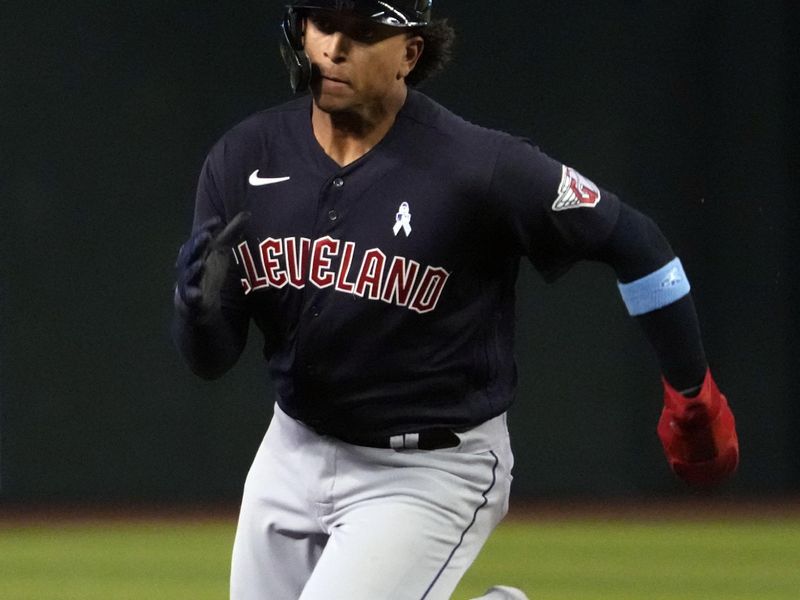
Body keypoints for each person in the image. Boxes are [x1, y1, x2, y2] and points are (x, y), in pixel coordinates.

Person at [172, 1, 739, 598]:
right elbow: (210, 360)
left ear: (410, 54)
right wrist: (197, 315)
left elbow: (635, 239)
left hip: (426, 469)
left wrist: (692, 392)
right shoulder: (245, 158)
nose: (335, 49)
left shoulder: (479, 166)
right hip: (291, 446)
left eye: (364, 33)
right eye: (323, 24)